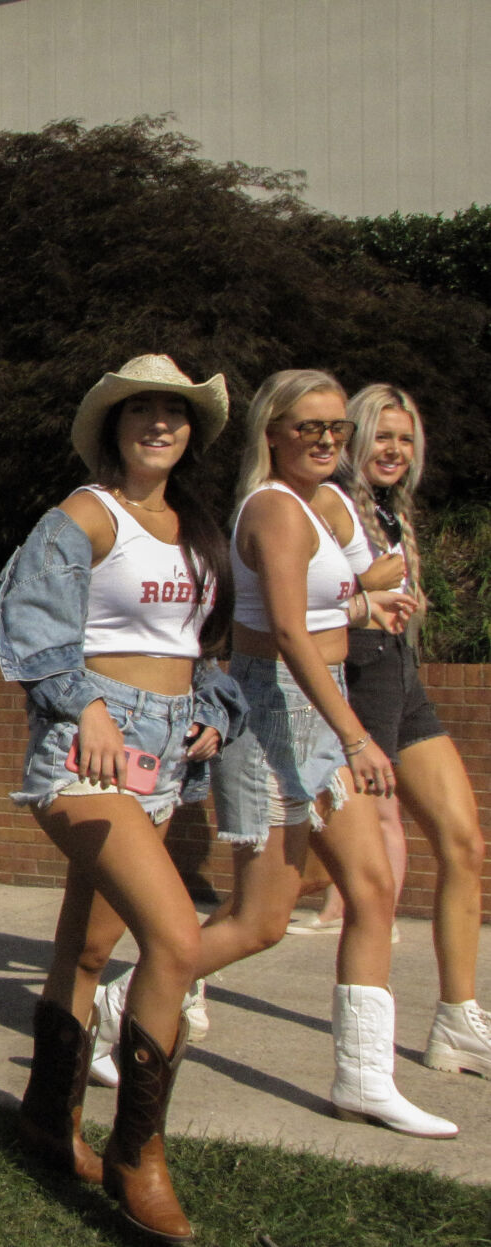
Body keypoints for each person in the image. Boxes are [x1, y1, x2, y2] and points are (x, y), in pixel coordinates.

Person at [88, 370, 456, 1142]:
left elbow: (347, 592)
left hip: (317, 705)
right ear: (274, 435)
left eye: (336, 429)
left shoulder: (330, 503)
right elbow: (286, 631)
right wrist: (356, 735)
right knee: (261, 921)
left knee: (373, 886)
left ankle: (362, 1077)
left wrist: (364, 598)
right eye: (308, 428)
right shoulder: (274, 509)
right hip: (273, 708)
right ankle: (120, 1003)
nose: (327, 440)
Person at [0, 356, 243, 1242]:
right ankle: (140, 1152)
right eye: (139, 410)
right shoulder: (85, 513)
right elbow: (28, 617)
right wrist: (89, 706)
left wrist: (213, 713)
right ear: (113, 426)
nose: (156, 424)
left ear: (191, 431)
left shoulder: (194, 528)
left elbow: (203, 648)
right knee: (175, 937)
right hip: (89, 749)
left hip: (166, 749)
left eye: (172, 413)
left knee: (89, 944)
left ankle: (44, 1118)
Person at [305, 385, 488, 1076]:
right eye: (381, 436)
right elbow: (295, 603)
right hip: (355, 685)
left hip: (405, 684)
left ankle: (458, 1020)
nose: (394, 450)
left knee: (463, 842)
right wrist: (363, 593)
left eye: (405, 439)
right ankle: (183, 968)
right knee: (301, 872)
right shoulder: (326, 503)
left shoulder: (393, 508)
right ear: (351, 440)